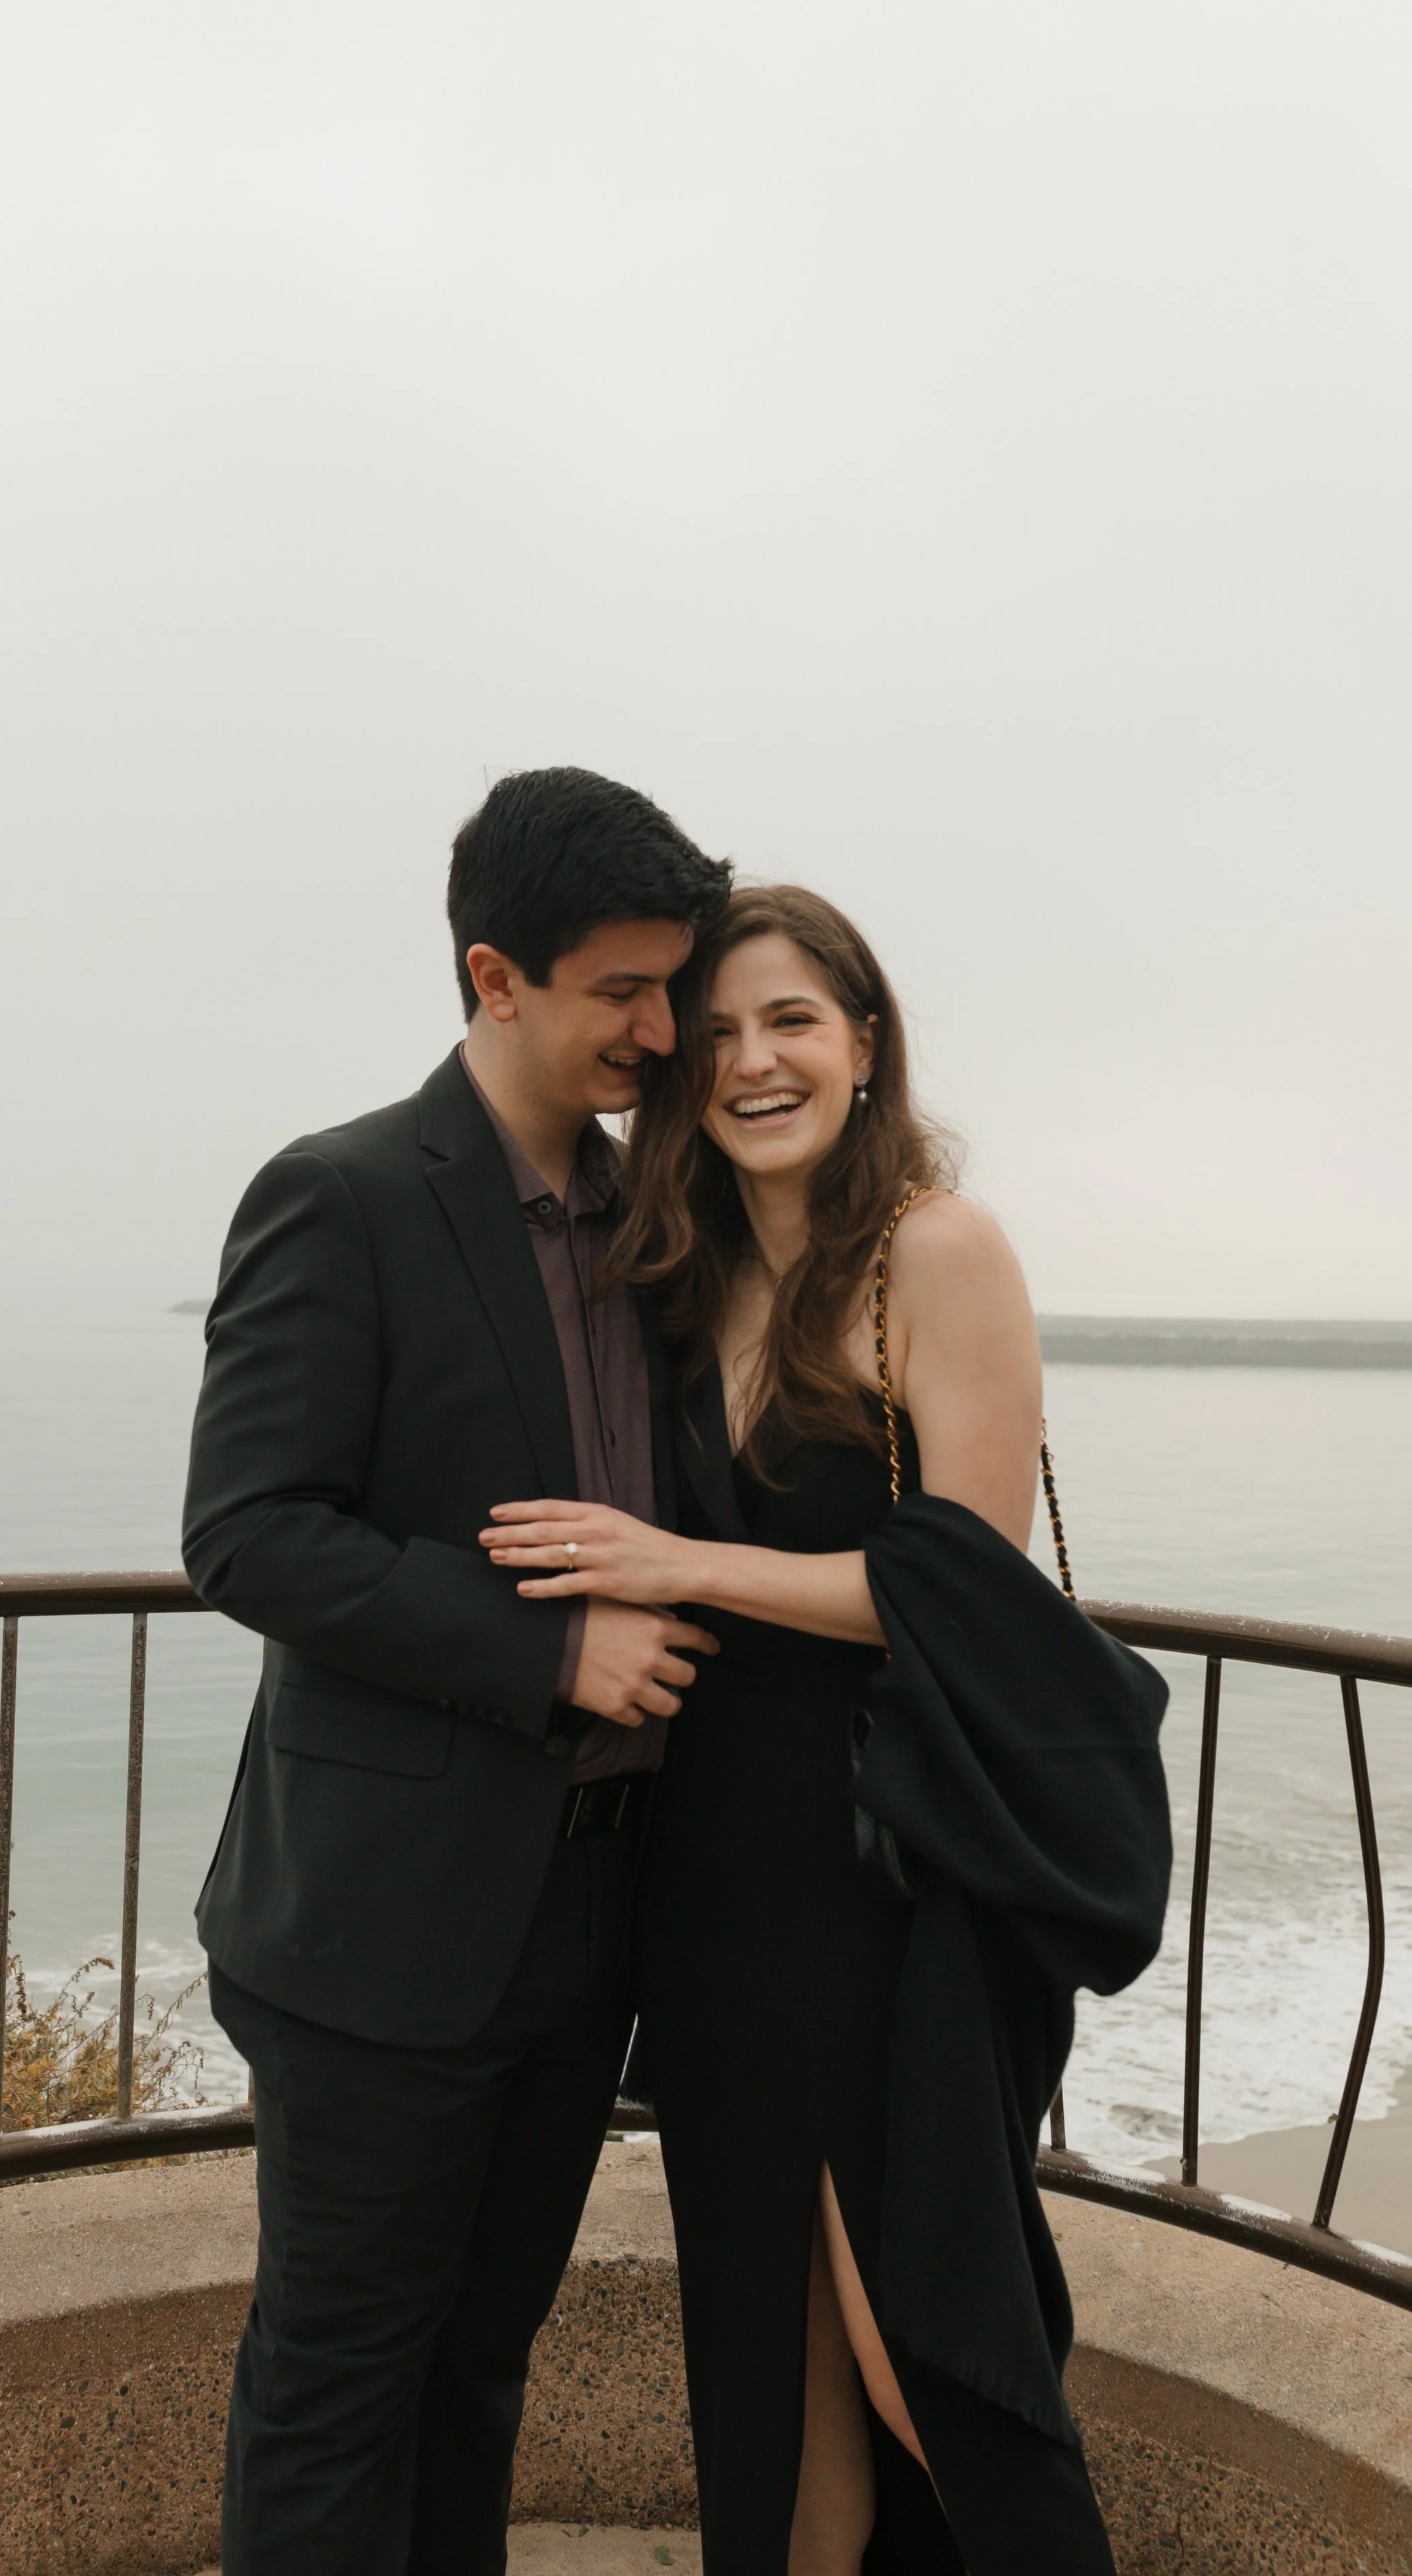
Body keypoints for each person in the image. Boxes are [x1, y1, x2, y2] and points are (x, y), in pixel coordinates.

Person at [480, 883, 1171, 2574]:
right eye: (714, 1032)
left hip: (887, 1878)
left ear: (863, 1042)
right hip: (710, 1873)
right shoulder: (685, 1265)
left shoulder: (934, 1248)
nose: (751, 1061)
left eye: (789, 1020)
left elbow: (960, 1587)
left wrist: (674, 1564)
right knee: (767, 2370)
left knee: (922, 2346)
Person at [181, 767, 732, 2576]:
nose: (663, 1031)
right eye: (621, 991)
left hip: (589, 1918)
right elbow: (248, 1531)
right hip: (380, 1927)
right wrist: (551, 1645)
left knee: (480, 2372)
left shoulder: (656, 1218)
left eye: (674, 987)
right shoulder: (340, 1193)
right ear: (493, 976)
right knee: (338, 2388)